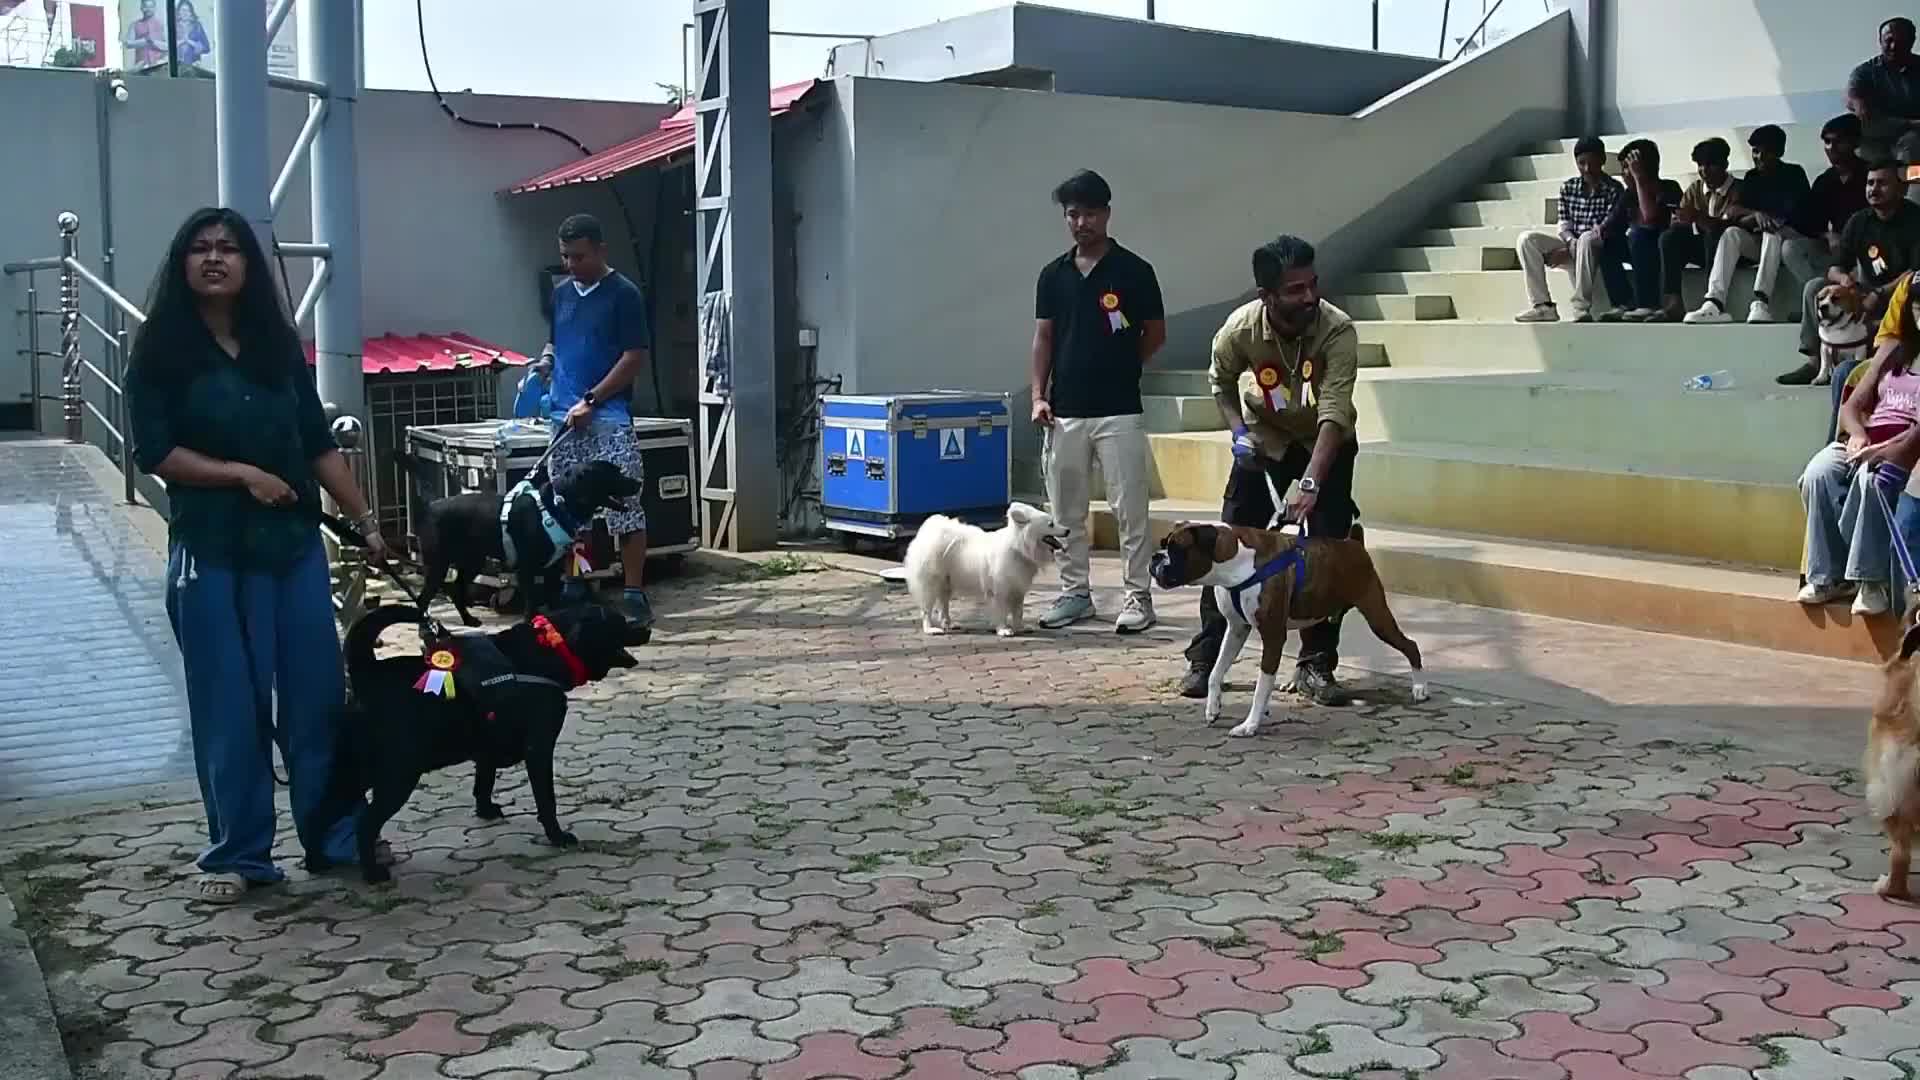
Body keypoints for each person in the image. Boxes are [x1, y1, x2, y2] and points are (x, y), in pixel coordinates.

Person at [126, 207, 390, 904]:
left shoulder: (277, 349)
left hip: (292, 550)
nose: (215, 259)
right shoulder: (159, 351)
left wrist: (366, 520)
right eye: (201, 249)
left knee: (316, 699)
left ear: (249, 266)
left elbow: (318, 443)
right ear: (183, 264)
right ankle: (238, 855)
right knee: (230, 709)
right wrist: (241, 474)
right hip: (210, 555)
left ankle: (335, 836)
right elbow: (156, 453)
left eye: (230, 249)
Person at [1178, 235, 1360, 705]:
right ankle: (1206, 657)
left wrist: (1312, 483)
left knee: (1327, 552)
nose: (1309, 297)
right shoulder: (1240, 330)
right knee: (1222, 542)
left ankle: (1316, 665)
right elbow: (1219, 382)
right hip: (1265, 444)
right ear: (1268, 296)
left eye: (1312, 284)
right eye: (1296, 289)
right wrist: (1238, 431)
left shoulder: (1337, 329)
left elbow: (1335, 412)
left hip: (1326, 447)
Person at [1031, 169, 1167, 633]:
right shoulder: (1053, 274)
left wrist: (1122, 367)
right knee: (1066, 510)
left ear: (1106, 213)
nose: (1081, 222)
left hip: (1119, 410)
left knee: (1130, 508)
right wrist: (1038, 396)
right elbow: (1043, 339)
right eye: (1073, 214)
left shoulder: (1134, 271)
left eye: (1090, 213)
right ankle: (1075, 594)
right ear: (1065, 218)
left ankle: (1138, 597)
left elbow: (1155, 334)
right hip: (1064, 411)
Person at [542, 213, 654, 635]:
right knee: (569, 505)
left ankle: (633, 591)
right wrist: (546, 362)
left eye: (579, 256)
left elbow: (633, 357)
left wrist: (593, 399)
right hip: (563, 416)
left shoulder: (623, 294)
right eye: (565, 256)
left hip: (606, 417)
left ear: (601, 250)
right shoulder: (561, 294)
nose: (571, 264)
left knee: (625, 502)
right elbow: (555, 338)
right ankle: (576, 583)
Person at [1801, 271, 1920, 617]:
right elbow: (1852, 407)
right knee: (1819, 472)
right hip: (1867, 437)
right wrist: (1857, 435)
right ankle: (1827, 576)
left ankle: (1870, 581)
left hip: (1904, 447)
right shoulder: (1893, 349)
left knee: (1872, 478)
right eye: (1915, 306)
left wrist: (1879, 451)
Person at [1685, 125, 1810, 324]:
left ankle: (1760, 302)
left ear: (1779, 152)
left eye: (1765, 151)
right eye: (1755, 151)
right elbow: (1734, 214)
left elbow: (1798, 216)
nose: (1759, 156)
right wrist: (1756, 215)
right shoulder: (1752, 178)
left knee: (1772, 231)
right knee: (1732, 233)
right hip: (1759, 241)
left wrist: (1767, 220)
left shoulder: (1794, 174)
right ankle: (1714, 302)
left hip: (1789, 241)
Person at [1780, 115, 1871, 383]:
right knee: (1791, 249)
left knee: (1814, 289)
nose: (1830, 148)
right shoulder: (1825, 181)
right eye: (1826, 143)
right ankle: (1815, 359)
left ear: (1854, 142)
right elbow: (1805, 222)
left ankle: (1822, 309)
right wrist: (1826, 233)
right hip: (1837, 262)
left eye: (1837, 142)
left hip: (1868, 259)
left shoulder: (1870, 176)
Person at [1515, 136, 1628, 323]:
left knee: (1587, 238)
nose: (1587, 169)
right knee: (1527, 239)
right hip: (1573, 244)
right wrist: (1569, 242)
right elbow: (1564, 224)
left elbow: (1605, 228)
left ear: (1602, 160)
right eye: (1581, 163)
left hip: (1598, 247)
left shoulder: (1614, 189)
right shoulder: (1569, 187)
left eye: (1591, 163)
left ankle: (1581, 306)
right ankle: (1543, 306)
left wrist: (1574, 246)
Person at [1651, 138, 1738, 322]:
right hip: (1702, 248)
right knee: (1669, 237)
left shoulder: (1739, 189)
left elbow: (1731, 227)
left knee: (1714, 234)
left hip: (1729, 253)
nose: (1704, 171)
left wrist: (1699, 218)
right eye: (1700, 165)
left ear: (1725, 165)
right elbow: (1680, 223)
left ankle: (1713, 302)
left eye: (1710, 165)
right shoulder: (1695, 189)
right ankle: (1672, 302)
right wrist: (1683, 218)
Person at [1600, 138, 1682, 321]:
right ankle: (1623, 302)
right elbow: (1609, 226)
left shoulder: (1669, 187)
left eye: (1628, 167)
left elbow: (1649, 217)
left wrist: (1639, 179)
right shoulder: (1628, 195)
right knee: (1607, 243)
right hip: (1637, 250)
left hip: (1660, 250)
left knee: (1640, 233)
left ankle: (1647, 304)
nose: (1623, 174)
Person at [1848, 17, 1920, 166]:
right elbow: (1863, 115)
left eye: (1900, 41)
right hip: (1876, 138)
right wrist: (1910, 123)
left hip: (1914, 139)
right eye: (1889, 40)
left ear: (1912, 41)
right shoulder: (1864, 73)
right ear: (1880, 41)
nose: (1893, 46)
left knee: (1911, 150)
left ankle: (1915, 186)